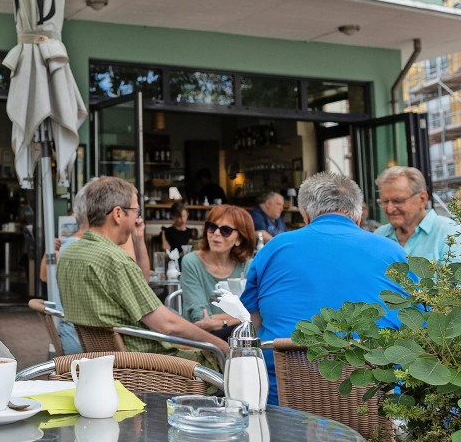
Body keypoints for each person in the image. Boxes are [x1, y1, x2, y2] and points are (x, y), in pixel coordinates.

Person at [241, 171, 410, 405]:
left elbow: (250, 324)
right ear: (358, 216)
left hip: (284, 402)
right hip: (375, 404)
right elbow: (415, 331)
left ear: (305, 215)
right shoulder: (394, 252)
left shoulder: (274, 248)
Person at [57, 177, 229, 367]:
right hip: (147, 366)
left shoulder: (69, 253)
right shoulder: (115, 260)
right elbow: (166, 325)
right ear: (118, 214)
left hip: (102, 364)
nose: (138, 219)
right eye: (136, 211)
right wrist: (219, 345)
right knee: (226, 359)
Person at [374, 166, 461, 267]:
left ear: (422, 199)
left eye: (398, 201)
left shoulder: (449, 232)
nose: (389, 209)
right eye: (384, 202)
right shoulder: (380, 235)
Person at [177, 205, 255, 339]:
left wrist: (223, 322)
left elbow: (255, 313)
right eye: (212, 227)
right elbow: (200, 318)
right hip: (200, 341)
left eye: (226, 230)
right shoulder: (191, 262)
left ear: (239, 239)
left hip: (239, 338)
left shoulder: (247, 265)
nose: (216, 233)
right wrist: (240, 317)